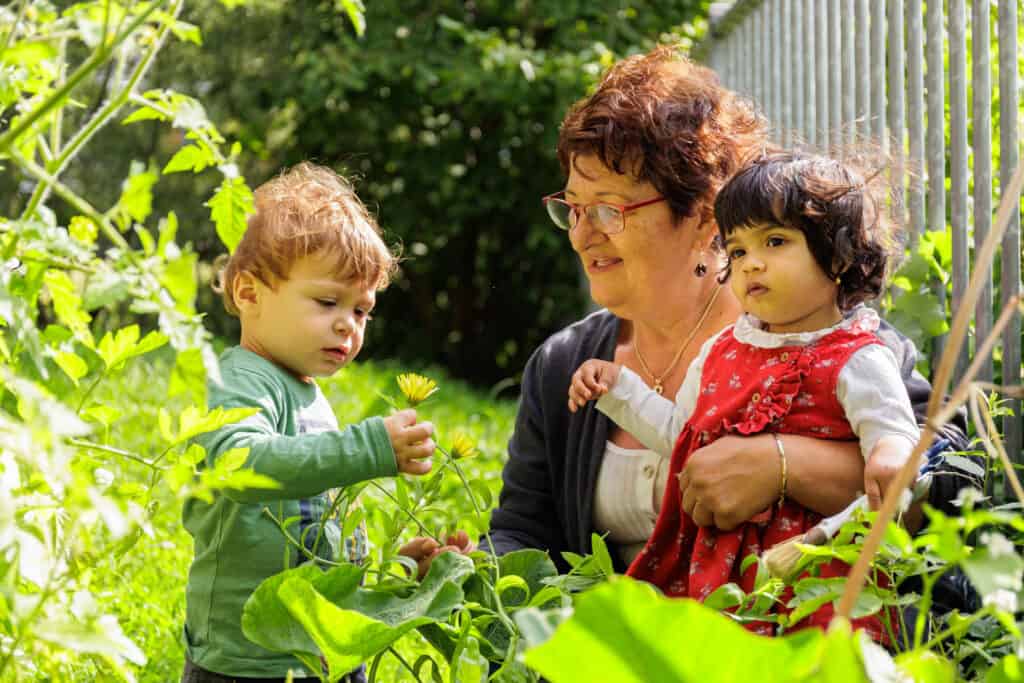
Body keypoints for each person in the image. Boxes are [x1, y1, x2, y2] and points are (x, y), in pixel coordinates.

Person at [481, 45, 971, 579]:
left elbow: (952, 481)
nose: (581, 233)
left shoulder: (827, 335)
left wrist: (786, 465)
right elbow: (523, 531)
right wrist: (468, 571)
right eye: (573, 208)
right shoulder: (563, 366)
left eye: (607, 209)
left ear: (701, 214)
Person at [568, 152, 918, 640]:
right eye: (736, 251)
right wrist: (619, 389)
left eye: (775, 242)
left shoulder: (855, 356)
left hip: (819, 572)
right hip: (718, 567)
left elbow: (893, 427)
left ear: (838, 255)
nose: (751, 263)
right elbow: (682, 435)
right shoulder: (722, 351)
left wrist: (891, 452)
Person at [181, 163, 436, 682]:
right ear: (249, 294)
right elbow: (240, 464)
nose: (348, 323)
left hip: (322, 652)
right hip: (248, 661)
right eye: (327, 301)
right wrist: (368, 449)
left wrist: (397, 572)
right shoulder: (239, 380)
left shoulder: (310, 396)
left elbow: (322, 536)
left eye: (362, 311)